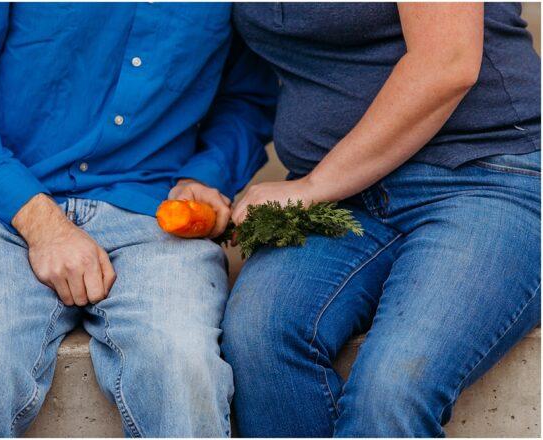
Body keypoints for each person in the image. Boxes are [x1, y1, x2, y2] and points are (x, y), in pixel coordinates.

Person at [0, 3, 277, 437]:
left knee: (183, 366)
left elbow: (249, 98)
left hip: (153, 217)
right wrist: (39, 220)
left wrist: (208, 174)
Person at [221, 3, 540, 437]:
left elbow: (448, 63)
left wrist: (313, 187)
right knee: (259, 338)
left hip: (485, 172)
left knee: (391, 388)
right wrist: (198, 177)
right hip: (342, 199)